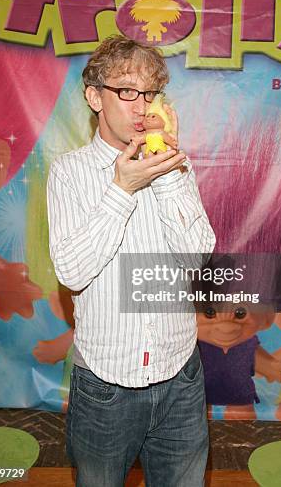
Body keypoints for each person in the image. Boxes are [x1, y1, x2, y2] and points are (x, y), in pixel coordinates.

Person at [47, 35, 216, 487]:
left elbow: (198, 261)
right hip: (105, 385)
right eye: (126, 90)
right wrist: (121, 190)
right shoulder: (70, 172)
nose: (141, 106)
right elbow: (72, 271)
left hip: (180, 377)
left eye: (150, 93)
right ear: (93, 97)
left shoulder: (175, 166)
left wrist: (166, 171)